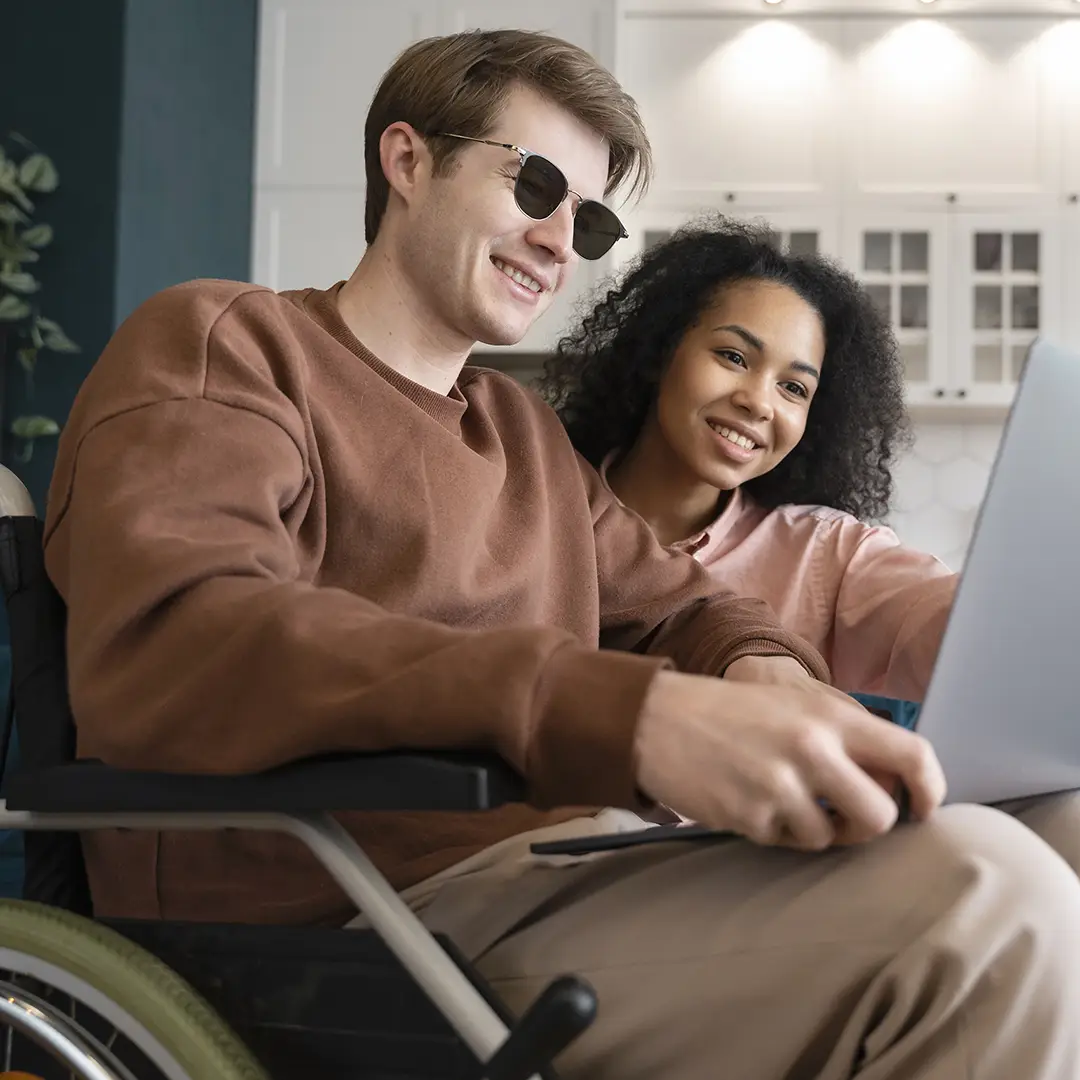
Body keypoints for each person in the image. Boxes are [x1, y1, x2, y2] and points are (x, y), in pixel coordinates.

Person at [42, 28, 1080, 1079]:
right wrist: (628, 716)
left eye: (584, 218)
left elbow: (684, 607)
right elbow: (188, 635)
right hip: (348, 920)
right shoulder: (231, 343)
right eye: (534, 183)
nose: (558, 238)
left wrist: (760, 669)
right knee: (995, 904)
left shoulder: (518, 430)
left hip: (545, 881)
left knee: (1036, 851)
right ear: (407, 161)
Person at [541, 216, 954, 704]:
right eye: (734, 357)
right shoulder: (534, 501)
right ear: (659, 352)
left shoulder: (826, 554)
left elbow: (946, 622)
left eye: (793, 388)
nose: (759, 402)